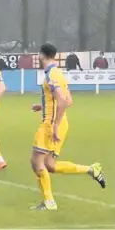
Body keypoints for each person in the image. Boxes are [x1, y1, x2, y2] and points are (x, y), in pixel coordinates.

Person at [28, 43, 105, 210]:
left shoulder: (51, 76)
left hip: (51, 124)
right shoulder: (57, 73)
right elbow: (67, 100)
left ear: (41, 55)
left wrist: (54, 124)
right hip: (60, 122)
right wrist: (43, 107)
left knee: (36, 162)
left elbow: (64, 101)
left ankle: (49, 202)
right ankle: (91, 169)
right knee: (50, 165)